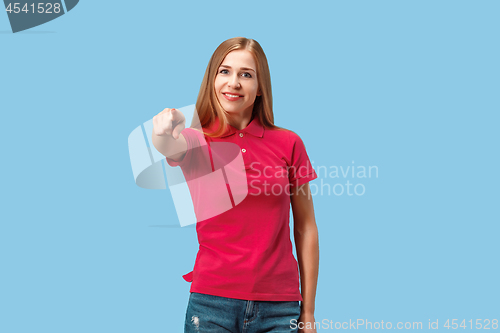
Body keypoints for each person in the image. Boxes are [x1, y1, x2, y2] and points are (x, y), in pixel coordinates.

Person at [152, 37, 319, 333]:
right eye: (225, 71)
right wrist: (162, 130)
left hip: (280, 308)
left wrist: (308, 311)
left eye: (246, 74)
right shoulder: (196, 141)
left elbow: (306, 227)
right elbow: (168, 146)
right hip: (211, 304)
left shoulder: (289, 144)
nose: (234, 82)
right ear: (212, 80)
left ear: (259, 87)